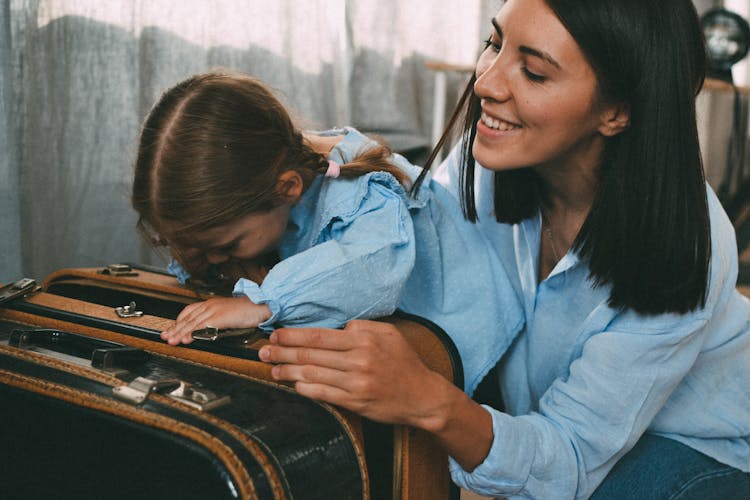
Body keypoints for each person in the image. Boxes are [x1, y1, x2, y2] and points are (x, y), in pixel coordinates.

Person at [257, 0, 750, 498]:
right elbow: (407, 245)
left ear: (617, 111)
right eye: (494, 43)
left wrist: (428, 400)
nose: (486, 83)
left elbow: (569, 461)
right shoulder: (493, 163)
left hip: (697, 449)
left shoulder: (686, 245)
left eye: (534, 72)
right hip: (556, 430)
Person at [130, 71, 524, 396]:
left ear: (287, 189)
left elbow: (372, 271)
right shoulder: (268, 169)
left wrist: (264, 303)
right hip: (403, 337)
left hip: (468, 339)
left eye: (228, 246)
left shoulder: (362, 192)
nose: (217, 258)